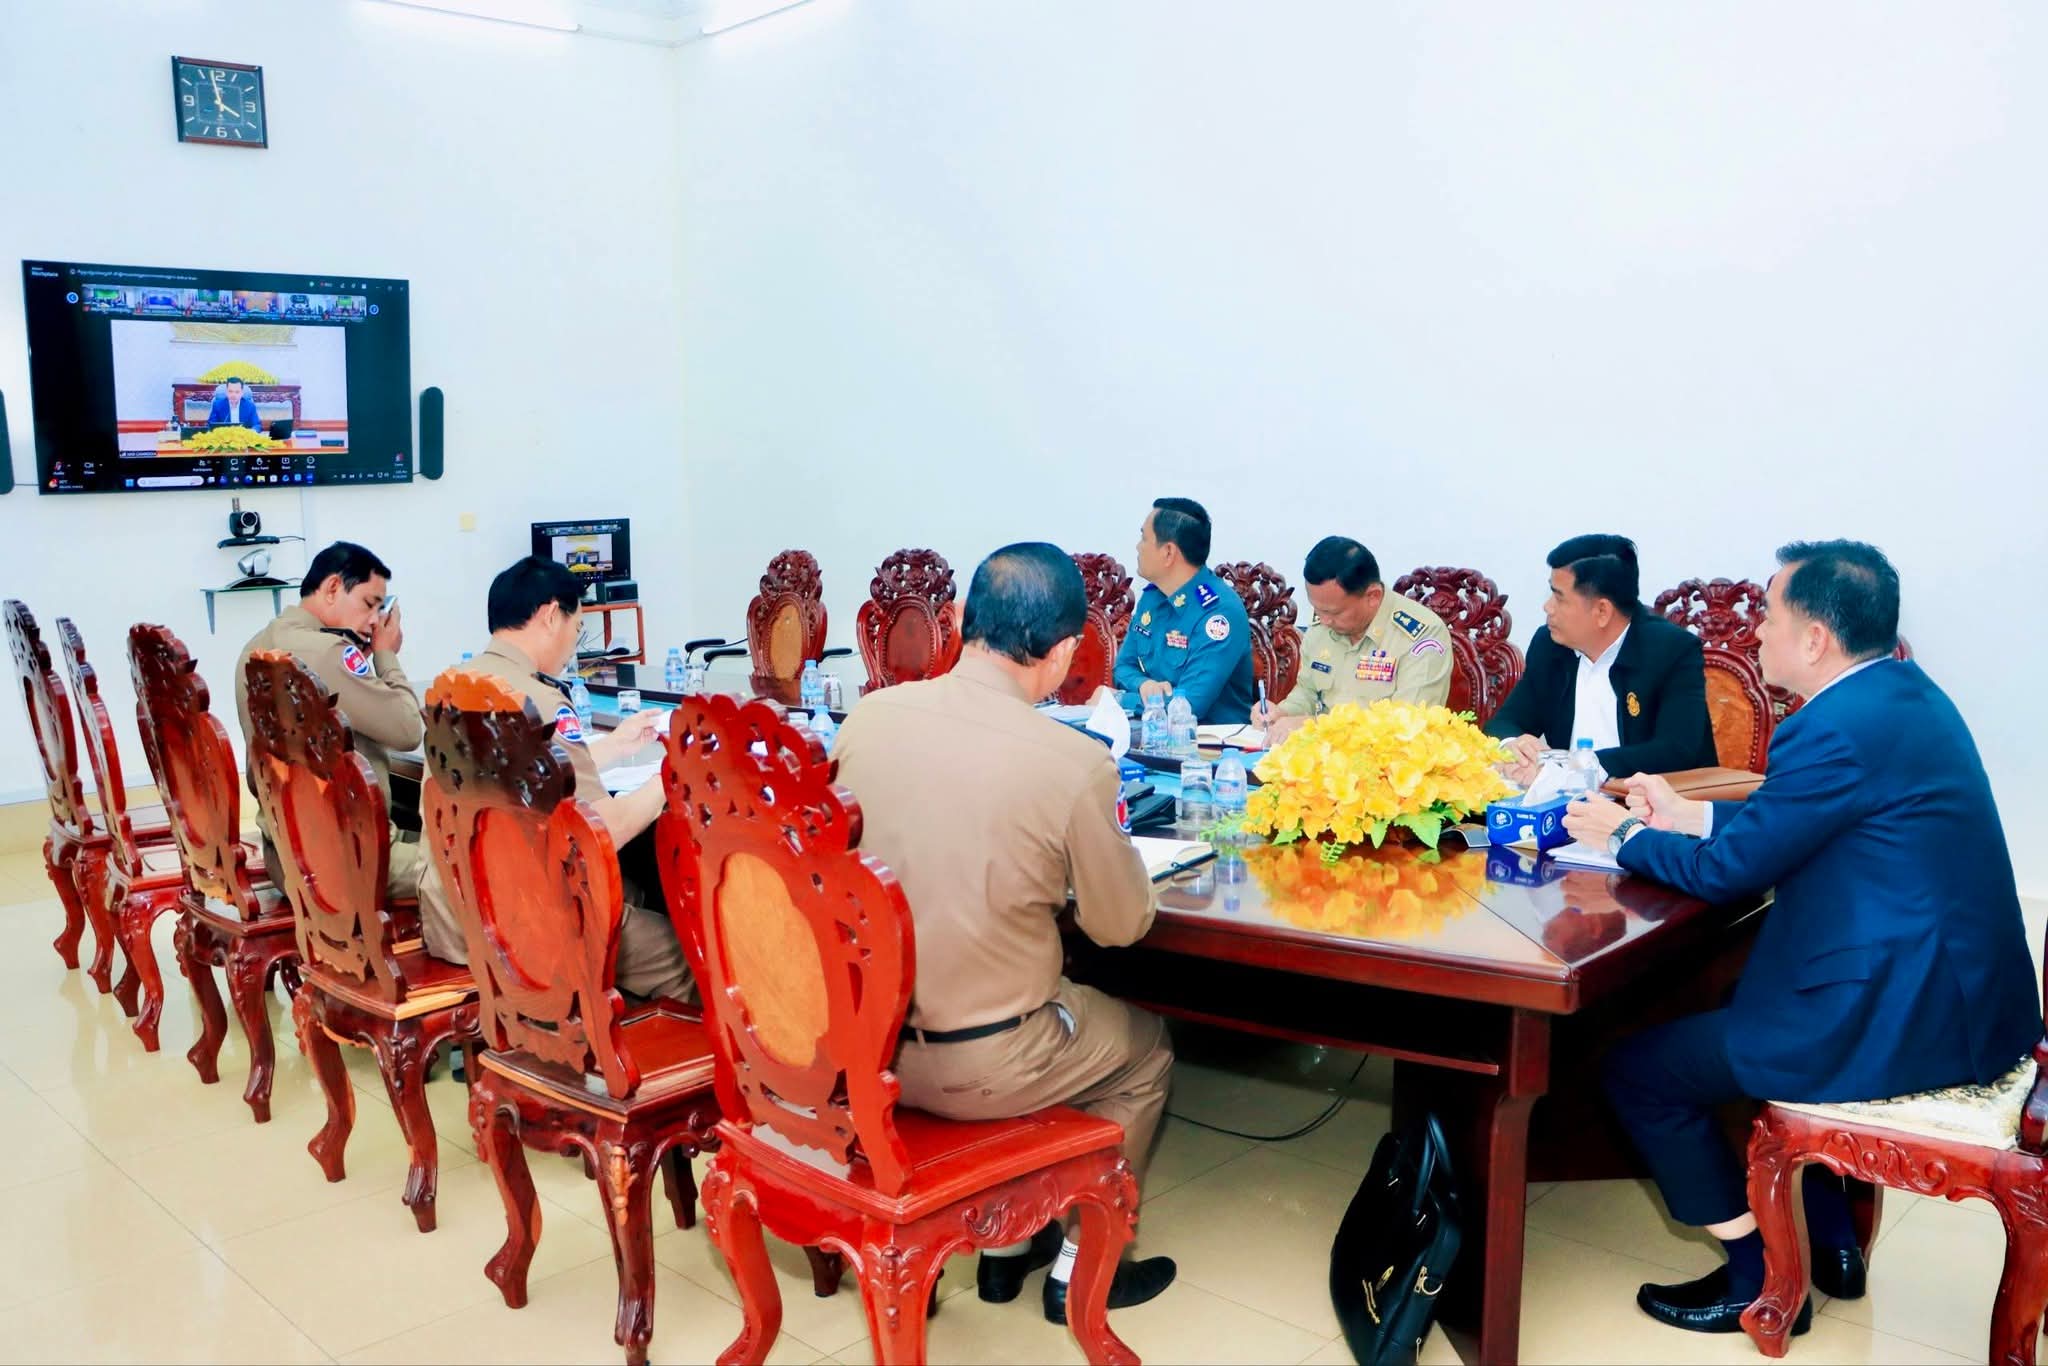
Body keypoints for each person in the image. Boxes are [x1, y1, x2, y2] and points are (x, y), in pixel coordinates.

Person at [1563, 540, 2038, 1336]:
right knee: (1733, 992)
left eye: (1769, 616)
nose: (1755, 633)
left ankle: (1758, 1279)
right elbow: (1806, 819)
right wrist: (1687, 814)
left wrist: (1622, 837)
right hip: (1959, 994)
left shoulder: (1831, 728)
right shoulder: (1901, 693)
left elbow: (1727, 875)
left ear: (1815, 638)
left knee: (1640, 1071)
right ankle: (1829, 1240)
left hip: (1900, 1017)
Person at [833, 542, 1177, 1322]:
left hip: (866, 1046)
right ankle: (1083, 1268)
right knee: (1147, 1049)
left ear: (958, 621)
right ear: (1065, 653)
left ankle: (1004, 1250)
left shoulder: (870, 716)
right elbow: (1119, 927)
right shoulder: (1072, 762)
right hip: (985, 1063)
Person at [416, 556, 688, 1002]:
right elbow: (606, 828)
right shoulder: (538, 700)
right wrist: (673, 771)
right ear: (549, 616)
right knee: (694, 954)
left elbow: (521, 777)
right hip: (539, 936)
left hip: (460, 919)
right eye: (576, 628)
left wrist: (614, 746)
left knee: (633, 891)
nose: (572, 645)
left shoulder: (453, 688)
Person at [234, 541, 424, 897]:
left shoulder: (256, 647)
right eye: (369, 604)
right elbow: (408, 729)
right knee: (481, 869)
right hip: (352, 863)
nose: (374, 620)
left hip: (287, 857)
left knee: (434, 841)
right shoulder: (329, 652)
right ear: (333, 587)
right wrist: (385, 656)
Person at [1484, 533, 1716, 782]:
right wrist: (1513, 744)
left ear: (1602, 611)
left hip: (1647, 799)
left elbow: (1677, 750)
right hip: (1566, 798)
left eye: (1559, 597)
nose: (1548, 607)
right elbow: (1505, 722)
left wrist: (1581, 766)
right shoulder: (1550, 645)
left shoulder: (1671, 650)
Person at [1248, 536, 1454, 744]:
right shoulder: (1323, 627)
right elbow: (1306, 693)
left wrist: (1316, 726)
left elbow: (1407, 727)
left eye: (1334, 612)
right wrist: (1281, 713)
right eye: (1317, 609)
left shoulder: (1422, 635)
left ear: (1373, 596)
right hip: (1320, 755)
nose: (1324, 621)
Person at [1110, 496, 1255, 725]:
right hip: (1153, 731)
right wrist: (1144, 685)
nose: (1138, 546)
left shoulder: (1218, 614)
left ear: (1168, 552)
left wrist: (1119, 700)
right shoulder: (1152, 597)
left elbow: (1189, 706)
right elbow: (1123, 667)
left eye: (1144, 538)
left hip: (1210, 740)